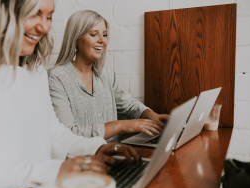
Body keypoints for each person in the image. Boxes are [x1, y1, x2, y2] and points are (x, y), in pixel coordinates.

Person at [0, 1, 139, 188]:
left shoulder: (35, 71)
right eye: (35, 14)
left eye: (48, 16)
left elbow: (53, 133)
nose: (45, 27)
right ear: (2, 10)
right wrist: (53, 171)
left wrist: (95, 148)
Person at [48, 10, 169, 142]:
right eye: (94, 34)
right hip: (83, 159)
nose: (102, 40)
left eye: (104, 35)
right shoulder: (56, 78)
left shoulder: (107, 74)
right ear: (76, 38)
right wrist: (121, 125)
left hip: (114, 154)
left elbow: (128, 105)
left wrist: (152, 115)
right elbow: (68, 133)